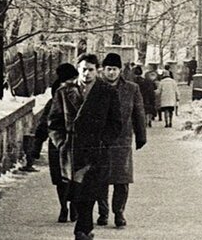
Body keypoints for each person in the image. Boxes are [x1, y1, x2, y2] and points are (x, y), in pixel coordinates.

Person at [48, 54, 123, 240]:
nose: (87, 73)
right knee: (75, 191)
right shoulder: (64, 91)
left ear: (97, 70)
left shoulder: (107, 92)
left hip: (96, 150)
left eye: (90, 69)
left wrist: (104, 142)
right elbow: (54, 122)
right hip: (72, 149)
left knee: (90, 189)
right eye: (83, 69)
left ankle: (82, 229)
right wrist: (62, 142)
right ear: (78, 69)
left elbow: (116, 123)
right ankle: (85, 228)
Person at [97, 53, 147, 228]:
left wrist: (141, 135)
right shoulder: (97, 87)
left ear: (120, 71)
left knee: (122, 180)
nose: (111, 73)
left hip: (122, 140)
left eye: (115, 69)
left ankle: (118, 212)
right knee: (100, 179)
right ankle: (103, 213)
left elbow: (138, 112)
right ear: (103, 70)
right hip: (101, 141)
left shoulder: (131, 88)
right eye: (108, 69)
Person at [33, 64, 78, 223]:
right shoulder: (59, 96)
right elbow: (45, 124)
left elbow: (42, 126)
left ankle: (66, 207)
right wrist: (37, 146)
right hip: (60, 142)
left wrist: (36, 147)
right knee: (66, 178)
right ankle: (68, 207)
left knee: (63, 178)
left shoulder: (56, 95)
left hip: (58, 143)